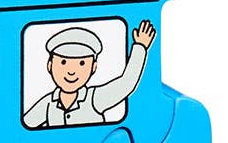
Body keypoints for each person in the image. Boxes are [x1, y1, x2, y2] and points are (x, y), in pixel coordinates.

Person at [23, 19, 156, 128]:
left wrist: (140, 47)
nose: (71, 71)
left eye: (81, 63)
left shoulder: (94, 99)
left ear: (93, 67)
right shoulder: (48, 103)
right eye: (63, 62)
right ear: (50, 65)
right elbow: (24, 124)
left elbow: (126, 84)